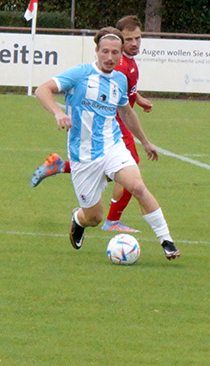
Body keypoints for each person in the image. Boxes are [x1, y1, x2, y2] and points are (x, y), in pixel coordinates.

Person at [34, 27, 181, 260]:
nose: (110, 57)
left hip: (113, 145)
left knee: (138, 187)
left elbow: (125, 111)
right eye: (105, 52)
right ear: (97, 51)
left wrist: (145, 141)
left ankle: (167, 241)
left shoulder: (120, 79)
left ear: (121, 54)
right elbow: (42, 90)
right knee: (94, 217)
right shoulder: (80, 73)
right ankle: (78, 219)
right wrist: (57, 112)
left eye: (115, 53)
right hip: (83, 155)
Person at [31, 15, 151, 235]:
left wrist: (139, 99)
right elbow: (44, 89)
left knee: (117, 171)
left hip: (115, 125)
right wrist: (58, 112)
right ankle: (112, 219)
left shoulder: (128, 66)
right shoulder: (115, 64)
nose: (134, 43)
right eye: (130, 39)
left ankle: (60, 166)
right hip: (111, 127)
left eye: (138, 38)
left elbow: (123, 93)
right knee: (130, 175)